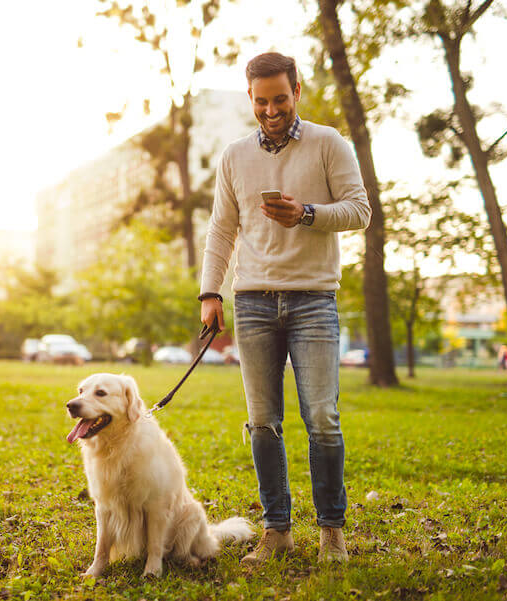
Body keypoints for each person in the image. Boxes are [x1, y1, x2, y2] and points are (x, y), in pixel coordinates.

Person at [198, 52, 371, 566]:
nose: (270, 110)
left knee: (322, 417)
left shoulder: (328, 144)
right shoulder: (235, 156)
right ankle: (276, 532)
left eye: (279, 98)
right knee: (262, 421)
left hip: (313, 298)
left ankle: (331, 534)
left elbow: (360, 210)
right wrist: (211, 292)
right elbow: (221, 230)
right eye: (260, 101)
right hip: (252, 302)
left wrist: (307, 214)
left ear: (298, 90)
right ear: (250, 98)